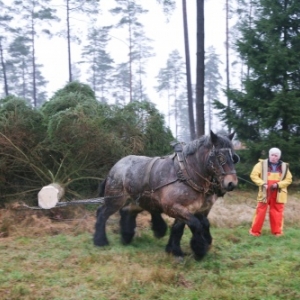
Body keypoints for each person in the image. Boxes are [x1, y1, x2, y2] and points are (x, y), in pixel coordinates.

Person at [249, 147, 292, 237]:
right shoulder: (260, 164)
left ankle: (277, 232)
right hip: (264, 192)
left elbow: (289, 180)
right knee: (260, 211)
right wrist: (262, 183)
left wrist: (278, 185)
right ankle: (255, 232)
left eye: (276, 155)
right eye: (272, 155)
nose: (273, 157)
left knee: (277, 212)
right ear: (269, 155)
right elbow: (254, 175)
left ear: (279, 157)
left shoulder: (285, 166)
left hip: (279, 193)